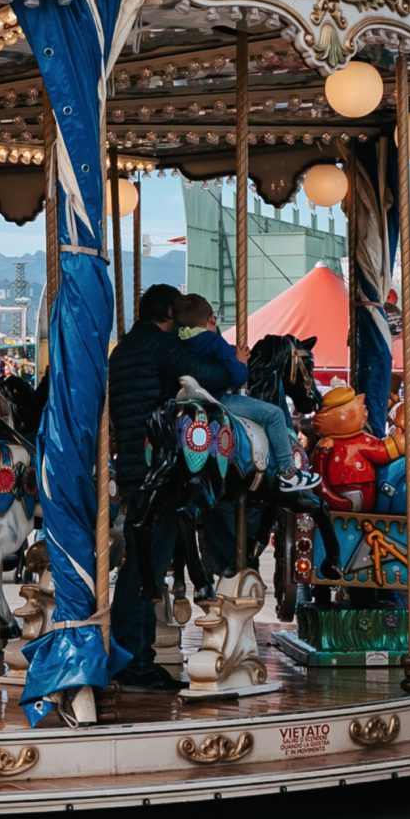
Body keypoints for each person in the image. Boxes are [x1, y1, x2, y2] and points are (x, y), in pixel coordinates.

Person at [103, 282, 189, 691]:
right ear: (169, 315)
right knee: (146, 568)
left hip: (135, 470)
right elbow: (207, 373)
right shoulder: (159, 347)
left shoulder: (122, 351)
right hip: (158, 469)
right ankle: (135, 661)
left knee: (139, 566)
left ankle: (133, 655)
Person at [172, 293, 317, 495]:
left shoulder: (179, 341)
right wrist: (241, 361)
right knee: (273, 414)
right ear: (212, 319)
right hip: (218, 399)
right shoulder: (214, 342)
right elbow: (239, 377)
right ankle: (288, 472)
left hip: (185, 398)